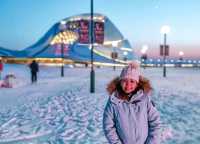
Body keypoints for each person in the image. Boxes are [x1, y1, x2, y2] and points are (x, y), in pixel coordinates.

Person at [103, 62, 161, 144]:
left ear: (137, 83)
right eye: (124, 81)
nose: (128, 84)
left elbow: (155, 123)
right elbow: (108, 127)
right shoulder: (113, 101)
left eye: (132, 81)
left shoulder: (145, 99)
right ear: (120, 82)